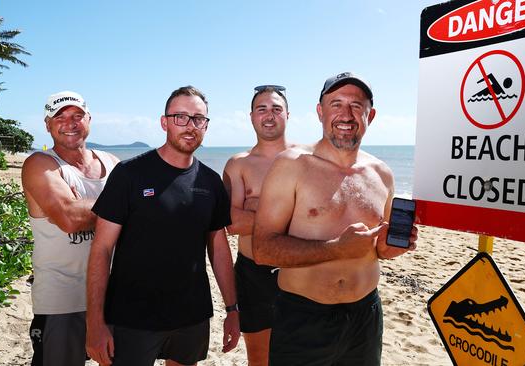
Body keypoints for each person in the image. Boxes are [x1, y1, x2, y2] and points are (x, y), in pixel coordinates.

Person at [252, 72, 418, 366]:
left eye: (356, 105)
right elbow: (263, 250)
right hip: (304, 318)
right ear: (320, 112)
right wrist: (335, 249)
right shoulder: (292, 166)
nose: (346, 114)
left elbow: (381, 250)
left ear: (371, 115)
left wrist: (393, 248)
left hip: (365, 318)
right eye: (336, 104)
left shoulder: (382, 174)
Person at [86, 86, 240, 366]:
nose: (190, 126)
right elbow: (102, 249)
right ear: (164, 122)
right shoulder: (129, 174)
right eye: (180, 116)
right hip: (131, 317)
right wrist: (95, 321)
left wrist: (232, 309)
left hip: (191, 316)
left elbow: (219, 249)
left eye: (198, 119)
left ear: (206, 126)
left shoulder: (210, 182)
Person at [21, 91, 119, 366]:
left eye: (77, 116)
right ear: (47, 125)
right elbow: (69, 218)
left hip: (114, 296)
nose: (70, 123)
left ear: (89, 119)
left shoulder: (112, 164)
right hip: (62, 300)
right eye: (60, 117)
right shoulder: (40, 165)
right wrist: (125, 202)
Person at [223, 85, 295, 365]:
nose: (269, 115)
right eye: (261, 109)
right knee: (260, 358)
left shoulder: (308, 158)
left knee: (303, 353)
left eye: (276, 109)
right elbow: (231, 222)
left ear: (287, 114)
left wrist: (255, 208)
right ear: (251, 116)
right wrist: (289, 216)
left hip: (301, 270)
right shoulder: (238, 164)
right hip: (254, 275)